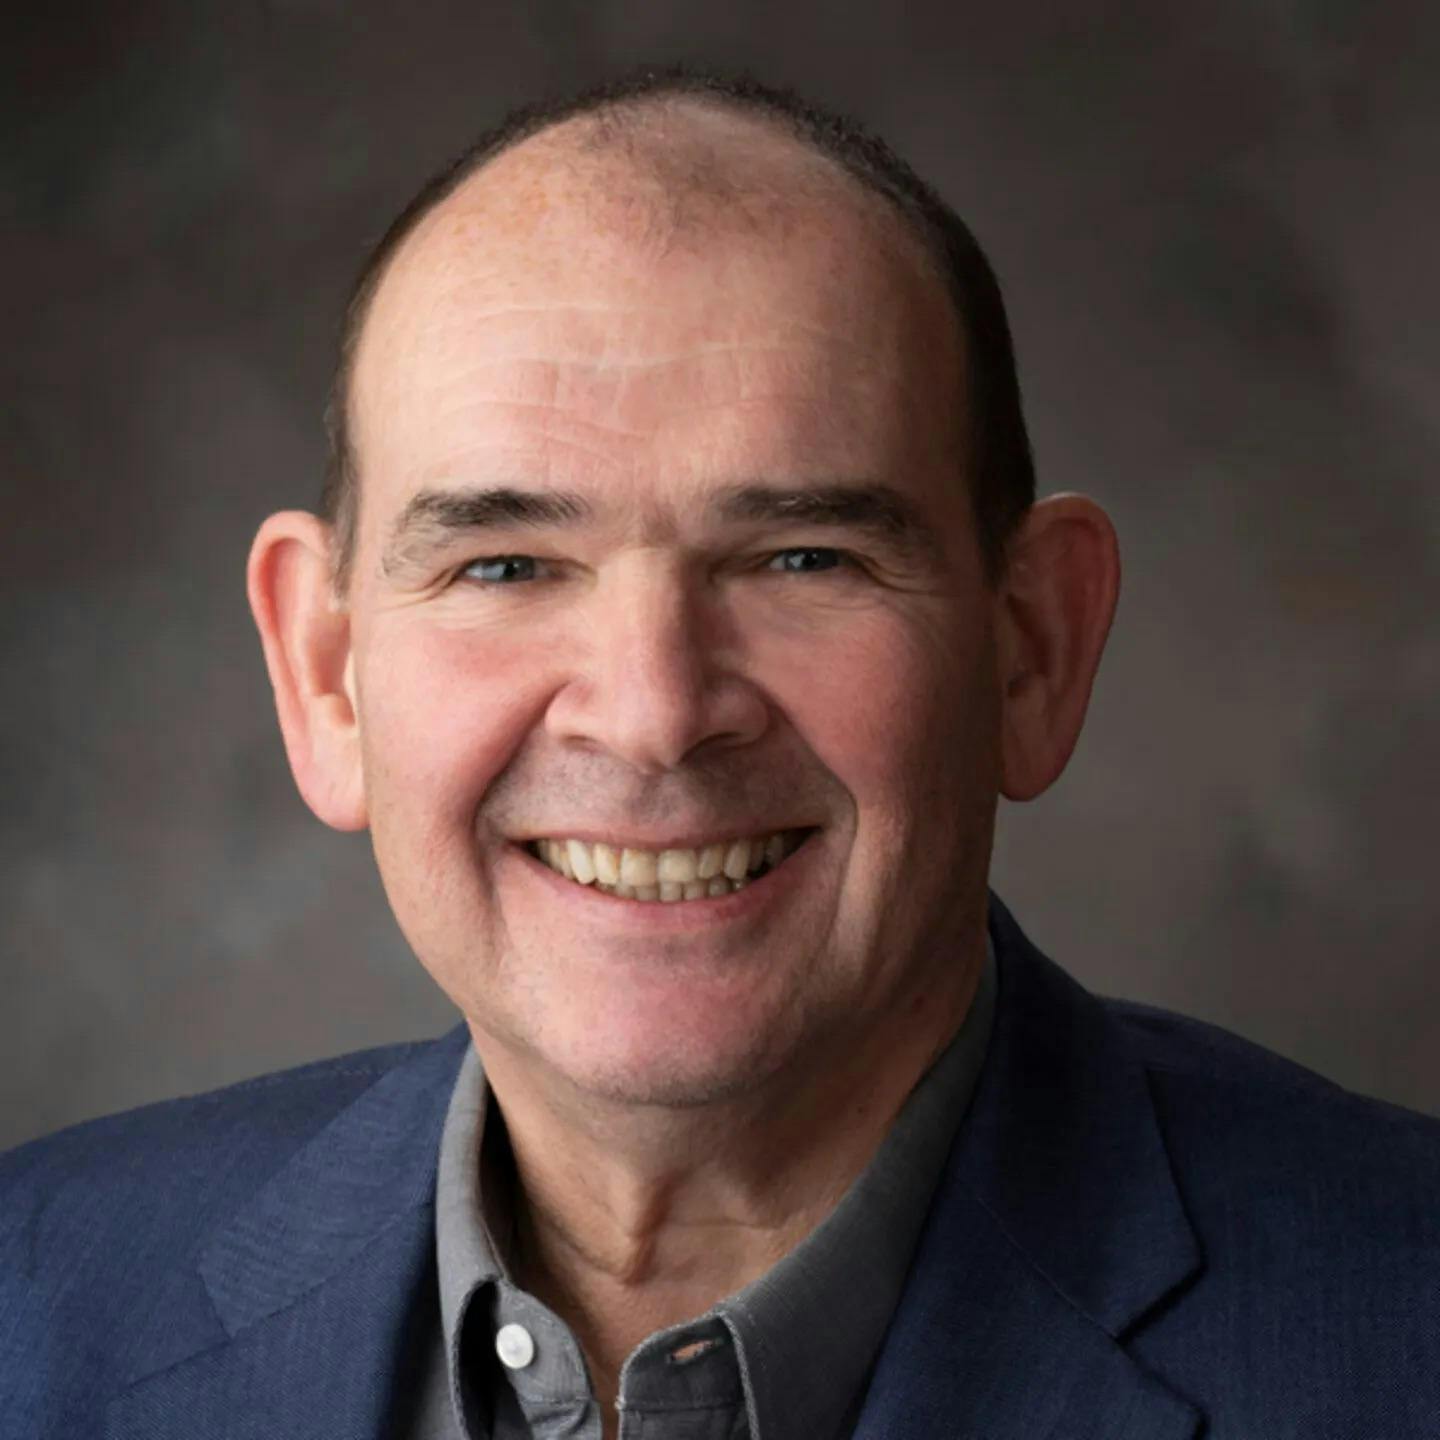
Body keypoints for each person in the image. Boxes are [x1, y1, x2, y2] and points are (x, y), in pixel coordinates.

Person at [3, 68, 1437, 1440]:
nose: (653, 711)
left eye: (803, 556)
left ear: (1032, 649)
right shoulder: (38, 1306)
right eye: (505, 567)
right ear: (326, 679)